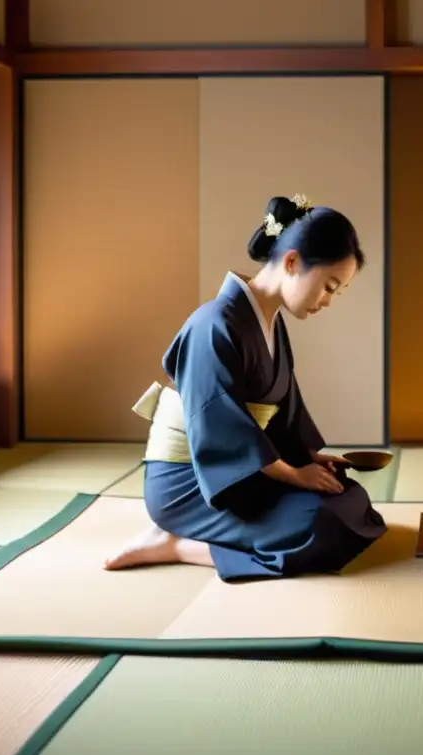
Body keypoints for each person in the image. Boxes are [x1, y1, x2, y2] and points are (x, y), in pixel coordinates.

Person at [104, 194, 388, 580]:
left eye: (337, 292)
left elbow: (281, 415)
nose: (329, 301)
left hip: (245, 473)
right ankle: (176, 544)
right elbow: (219, 428)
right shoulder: (212, 325)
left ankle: (203, 537)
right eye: (328, 286)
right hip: (192, 482)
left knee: (349, 498)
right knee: (317, 525)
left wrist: (305, 459)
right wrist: (292, 474)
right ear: (292, 263)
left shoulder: (271, 324)